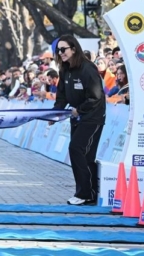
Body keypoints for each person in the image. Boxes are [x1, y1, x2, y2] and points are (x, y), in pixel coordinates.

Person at [52, 34, 106, 205]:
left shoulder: (87, 69)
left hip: (92, 117)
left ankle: (85, 193)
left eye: (64, 49)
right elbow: (61, 97)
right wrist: (54, 114)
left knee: (77, 149)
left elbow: (96, 96)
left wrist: (79, 110)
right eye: (58, 50)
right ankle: (87, 193)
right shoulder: (65, 70)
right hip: (77, 117)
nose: (61, 53)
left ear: (74, 49)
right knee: (84, 155)